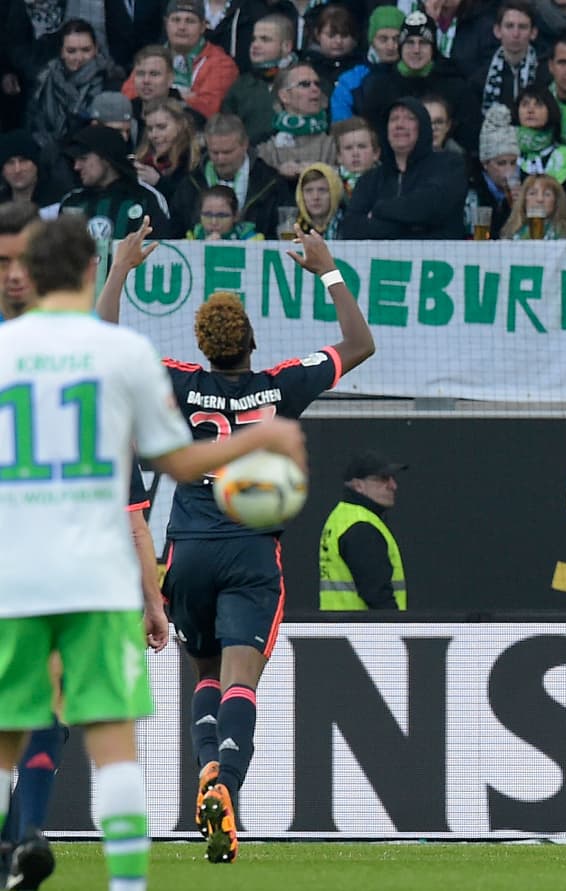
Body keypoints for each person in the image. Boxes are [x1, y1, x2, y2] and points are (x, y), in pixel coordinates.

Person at [0, 214, 305, 890]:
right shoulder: (119, 359)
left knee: (9, 733)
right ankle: (128, 883)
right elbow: (173, 462)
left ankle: (10, 849)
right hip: (93, 571)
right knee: (113, 740)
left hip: (14, 568)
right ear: (84, 272)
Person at [96, 221, 373, 865]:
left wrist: (120, 269)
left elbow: (105, 342)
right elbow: (360, 343)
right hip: (250, 553)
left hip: (185, 550)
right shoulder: (281, 386)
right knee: (242, 680)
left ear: (201, 343)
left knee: (204, 673)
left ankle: (206, 774)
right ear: (251, 341)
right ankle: (224, 783)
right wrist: (327, 268)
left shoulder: (175, 381)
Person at [342, 98, 468, 239]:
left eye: (410, 118)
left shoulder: (449, 165)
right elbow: (351, 228)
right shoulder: (370, 179)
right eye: (394, 119)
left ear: (423, 126)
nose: (400, 125)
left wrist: (379, 210)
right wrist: (412, 227)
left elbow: (430, 206)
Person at [357, 10, 480, 153]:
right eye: (409, 42)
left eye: (423, 43)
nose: (416, 50)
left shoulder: (454, 86)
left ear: (433, 48)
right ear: (400, 47)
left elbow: (470, 138)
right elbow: (372, 135)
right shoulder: (381, 87)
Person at [170, 112, 288, 240]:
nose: (221, 159)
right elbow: (176, 232)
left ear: (244, 145)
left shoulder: (271, 184)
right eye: (215, 152)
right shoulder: (190, 185)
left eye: (227, 152)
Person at [319, 452, 409, 611]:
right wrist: (395, 628)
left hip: (342, 629)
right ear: (358, 485)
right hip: (366, 632)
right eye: (383, 479)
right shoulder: (361, 526)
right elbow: (377, 595)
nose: (393, 486)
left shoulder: (342, 516)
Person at [122, 0, 238, 122]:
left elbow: (208, 110)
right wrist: (182, 96)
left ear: (203, 27)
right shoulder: (150, 57)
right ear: (166, 23)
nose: (182, 27)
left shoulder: (221, 64)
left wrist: (159, 95)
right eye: (176, 20)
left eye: (190, 21)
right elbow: (128, 98)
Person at [60, 126, 170, 239]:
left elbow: (162, 250)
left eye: (83, 159)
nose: (76, 166)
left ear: (106, 158)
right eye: (74, 160)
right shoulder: (72, 203)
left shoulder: (145, 199)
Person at [26, 19, 109, 152]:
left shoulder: (109, 82)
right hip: (46, 154)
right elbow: (33, 123)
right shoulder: (43, 80)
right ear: (61, 52)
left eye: (86, 50)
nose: (79, 57)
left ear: (96, 49)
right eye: (71, 51)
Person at [220, 13, 298, 146]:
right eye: (254, 39)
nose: (255, 45)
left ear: (286, 46)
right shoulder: (240, 86)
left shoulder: (308, 80)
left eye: (265, 39)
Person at [255, 61, 338, 183]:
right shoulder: (263, 144)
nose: (315, 89)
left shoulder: (335, 140)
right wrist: (277, 173)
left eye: (317, 84)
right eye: (305, 84)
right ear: (284, 96)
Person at [330, 5, 405, 124]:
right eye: (383, 39)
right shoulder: (351, 80)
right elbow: (342, 125)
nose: (391, 46)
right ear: (372, 40)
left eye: (397, 39)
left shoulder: (413, 75)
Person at [475, 0, 546, 115]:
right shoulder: (481, 78)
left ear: (533, 33)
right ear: (497, 31)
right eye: (509, 26)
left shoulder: (545, 75)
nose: (516, 34)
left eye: (522, 27)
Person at [135, 97, 202, 207]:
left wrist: (159, 183)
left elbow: (187, 205)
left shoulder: (193, 161)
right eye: (150, 129)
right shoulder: (142, 158)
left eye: (161, 127)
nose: (154, 135)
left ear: (180, 125)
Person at [470, 103, 521, 236]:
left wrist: (520, 208)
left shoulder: (526, 185)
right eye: (501, 163)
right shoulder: (471, 188)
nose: (509, 171)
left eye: (513, 162)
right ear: (485, 164)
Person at [513, 86, 566, 182]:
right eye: (525, 104)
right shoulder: (508, 153)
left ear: (550, 110)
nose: (530, 110)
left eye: (538, 105)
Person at [499, 173, 566, 238]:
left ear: (556, 201)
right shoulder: (511, 233)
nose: (540, 199)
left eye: (547, 194)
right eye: (532, 193)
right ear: (524, 200)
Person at [186, 184, 264, 239]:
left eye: (221, 216)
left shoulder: (250, 239)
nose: (214, 222)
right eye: (207, 215)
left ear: (236, 216)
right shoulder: (194, 237)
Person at [332, 116, 381, 198]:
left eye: (361, 146)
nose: (355, 153)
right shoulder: (330, 185)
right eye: (348, 148)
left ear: (376, 153)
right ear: (339, 156)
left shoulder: (388, 181)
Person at [295, 163, 344, 239]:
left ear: (334, 193)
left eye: (322, 190)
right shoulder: (292, 228)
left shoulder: (351, 226)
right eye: (309, 191)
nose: (315, 197)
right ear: (301, 195)